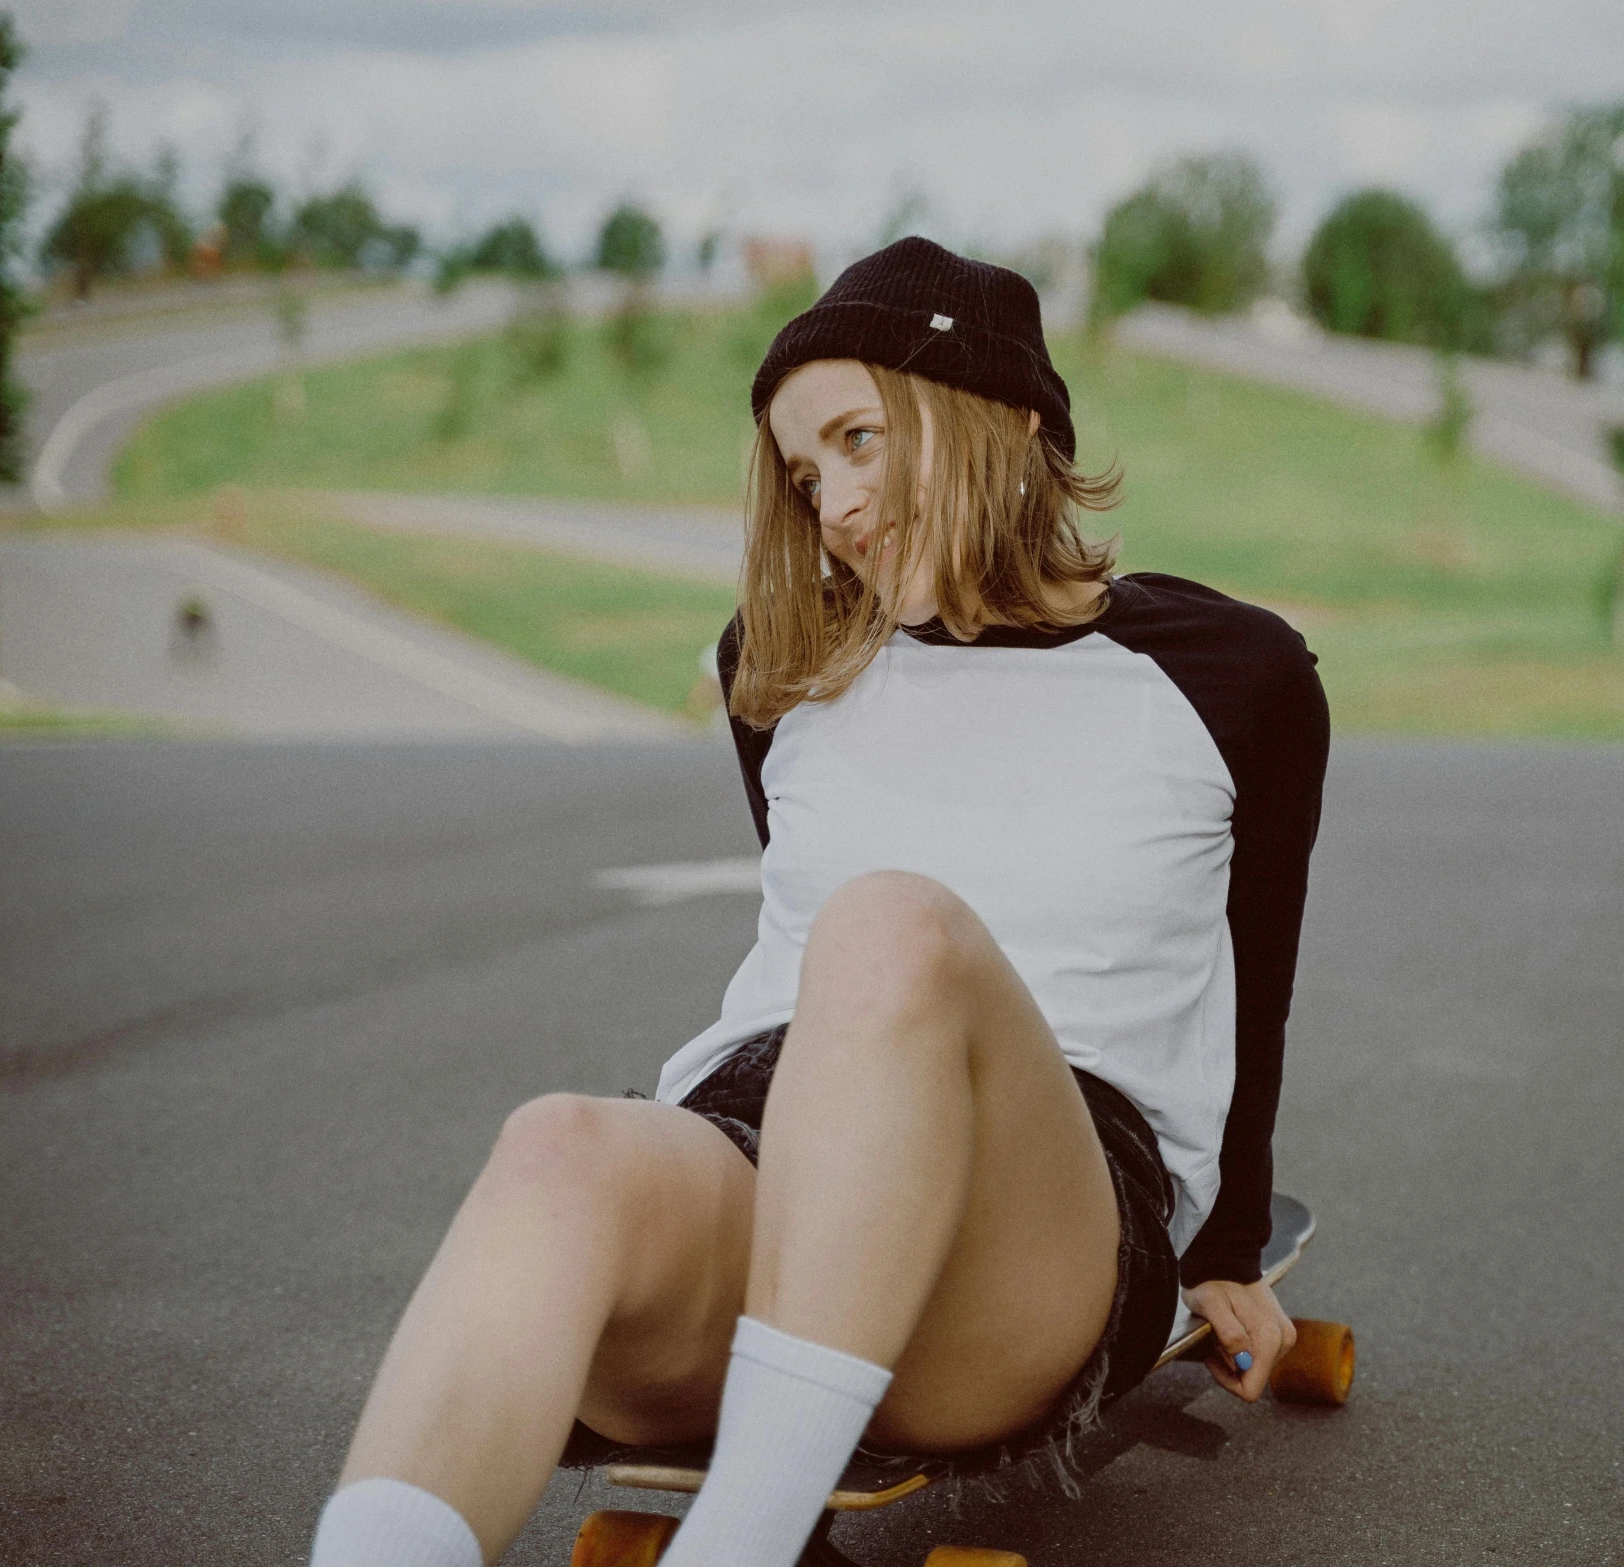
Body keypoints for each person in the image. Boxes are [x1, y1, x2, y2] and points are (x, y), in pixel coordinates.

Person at [309, 237, 1330, 1567]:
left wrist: (1229, 1237)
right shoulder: (783, 665)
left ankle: (735, 1542)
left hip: (1042, 1204)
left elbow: (1254, 967)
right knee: (560, 1140)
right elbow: (811, 999)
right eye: (804, 472)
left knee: (889, 927)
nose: (834, 503)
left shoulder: (1228, 673)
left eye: (859, 438)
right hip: (767, 1156)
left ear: (1009, 418)